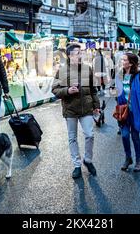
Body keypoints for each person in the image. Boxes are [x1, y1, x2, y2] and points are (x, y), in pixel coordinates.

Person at [52, 44, 101, 179]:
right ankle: (77, 165)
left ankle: (88, 160)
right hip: (70, 109)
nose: (79, 56)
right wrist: (67, 90)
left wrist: (96, 105)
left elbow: (93, 89)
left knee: (90, 135)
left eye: (80, 53)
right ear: (69, 55)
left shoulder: (88, 69)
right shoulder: (62, 71)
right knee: (72, 138)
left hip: (87, 108)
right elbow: (55, 90)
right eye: (76, 53)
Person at [116, 53, 140, 172]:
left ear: (131, 63)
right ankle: (128, 158)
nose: (122, 61)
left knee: (135, 137)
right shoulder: (119, 74)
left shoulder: (139, 75)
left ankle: (138, 160)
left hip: (136, 111)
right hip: (123, 110)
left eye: (124, 60)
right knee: (125, 135)